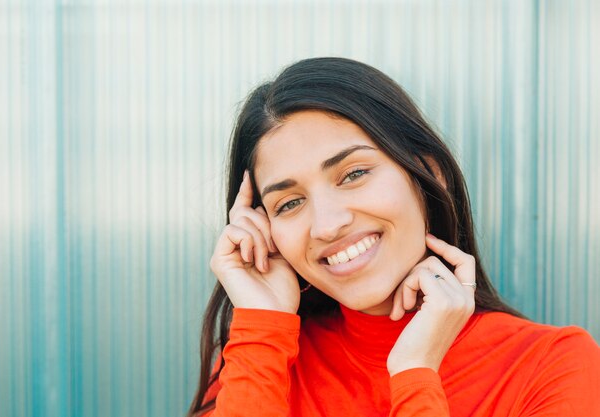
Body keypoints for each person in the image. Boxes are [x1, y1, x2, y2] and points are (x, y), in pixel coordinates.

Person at [186, 57, 600, 417]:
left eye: (353, 174)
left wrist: (415, 372)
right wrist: (262, 326)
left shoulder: (554, 366)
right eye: (289, 203)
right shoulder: (260, 360)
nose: (327, 225)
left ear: (428, 174)